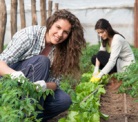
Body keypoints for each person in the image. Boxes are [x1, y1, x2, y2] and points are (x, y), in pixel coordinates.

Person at [0, 9, 86, 121]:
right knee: (42, 61)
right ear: (50, 24)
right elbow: (1, 61)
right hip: (7, 82)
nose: (60, 34)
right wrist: (14, 74)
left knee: (63, 100)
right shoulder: (29, 35)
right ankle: (28, 116)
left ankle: (29, 116)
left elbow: (56, 83)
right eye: (58, 27)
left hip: (32, 89)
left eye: (65, 32)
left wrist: (44, 86)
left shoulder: (63, 50)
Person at [90, 18, 135, 82]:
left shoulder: (116, 39)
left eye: (102, 32)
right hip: (118, 63)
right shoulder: (105, 39)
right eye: (98, 33)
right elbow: (99, 54)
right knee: (94, 58)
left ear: (108, 29)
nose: (100, 35)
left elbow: (112, 61)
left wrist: (100, 75)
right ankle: (110, 74)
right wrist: (96, 70)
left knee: (100, 55)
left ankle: (112, 74)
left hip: (126, 66)